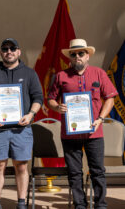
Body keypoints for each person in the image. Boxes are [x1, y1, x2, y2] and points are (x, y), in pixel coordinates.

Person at [47, 39, 118, 209]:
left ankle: (100, 205)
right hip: (70, 134)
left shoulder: (99, 73)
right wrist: (57, 107)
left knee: (98, 171)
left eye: (81, 53)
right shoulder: (61, 76)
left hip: (94, 132)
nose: (77, 56)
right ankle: (80, 205)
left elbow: (110, 98)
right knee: (74, 173)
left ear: (88, 56)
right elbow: (50, 99)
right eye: (73, 54)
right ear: (69, 57)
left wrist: (100, 118)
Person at [0, 38, 43, 209]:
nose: (9, 52)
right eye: (5, 49)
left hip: (21, 130)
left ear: (18, 52)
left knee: (21, 166)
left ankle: (21, 202)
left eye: (12, 49)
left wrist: (31, 114)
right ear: (1, 52)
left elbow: (38, 97)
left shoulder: (30, 73)